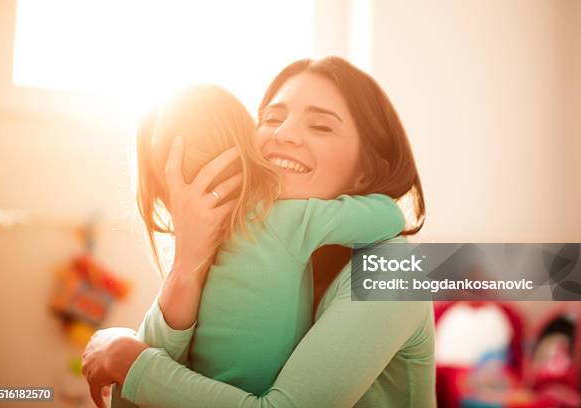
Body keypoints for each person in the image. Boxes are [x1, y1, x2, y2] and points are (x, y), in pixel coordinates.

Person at [83, 57, 435, 408]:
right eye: (271, 119)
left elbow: (140, 372)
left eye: (321, 126)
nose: (282, 135)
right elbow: (138, 397)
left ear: (367, 170)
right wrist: (186, 264)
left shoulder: (400, 268)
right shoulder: (249, 239)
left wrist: (129, 360)